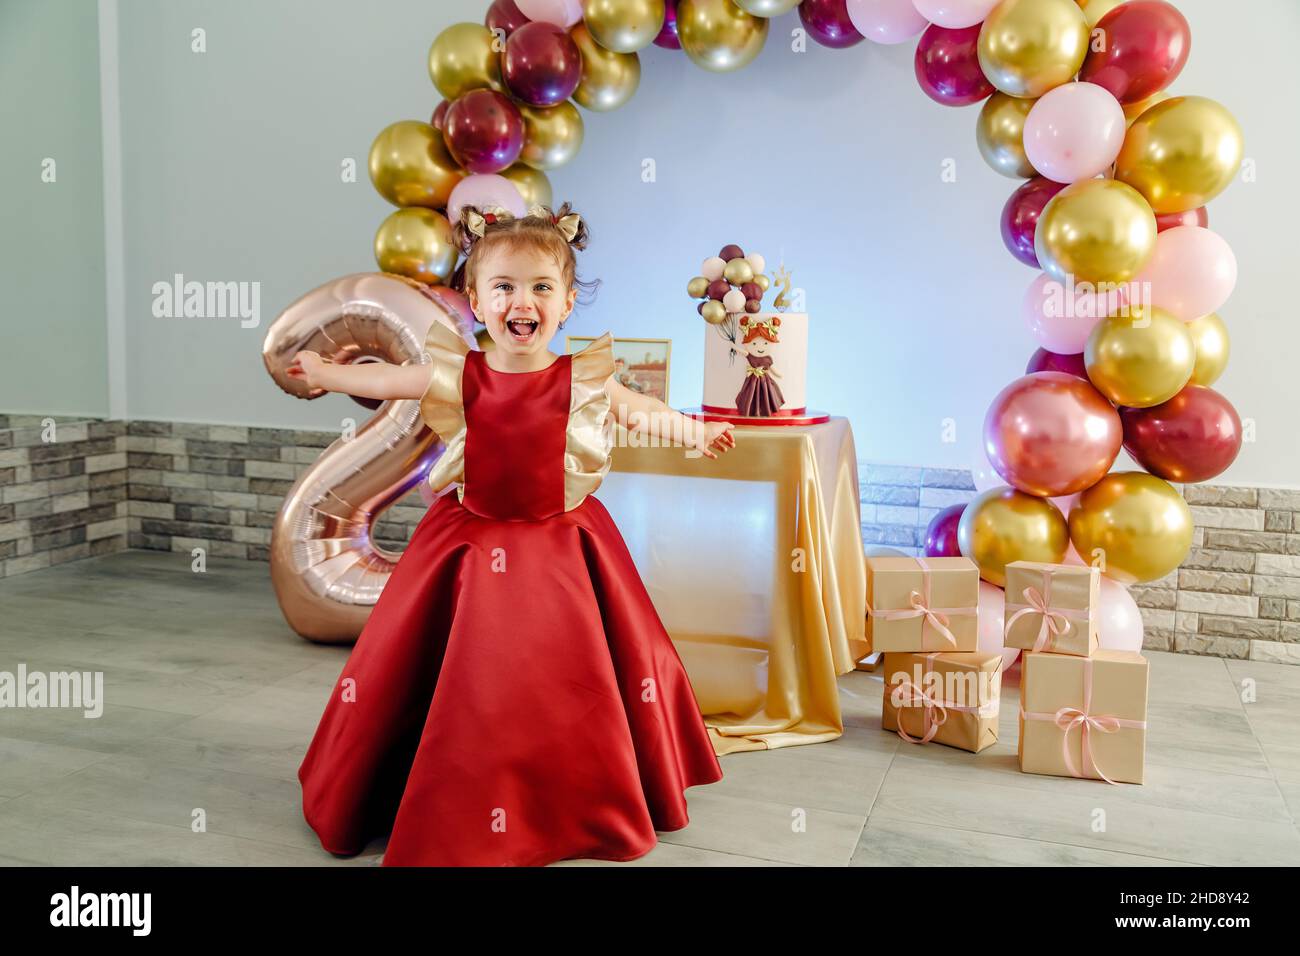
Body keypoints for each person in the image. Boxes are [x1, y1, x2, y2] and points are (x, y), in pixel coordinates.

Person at [289, 202, 735, 866]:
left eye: (539, 287)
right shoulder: (459, 373)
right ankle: (430, 784)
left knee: (573, 672)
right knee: (455, 672)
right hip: (470, 542)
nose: (520, 301)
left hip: (564, 543)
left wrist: (695, 432)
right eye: (502, 286)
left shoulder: (580, 379)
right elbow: (389, 380)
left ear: (567, 302)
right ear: (475, 300)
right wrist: (328, 376)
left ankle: (581, 791)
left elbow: (639, 411)